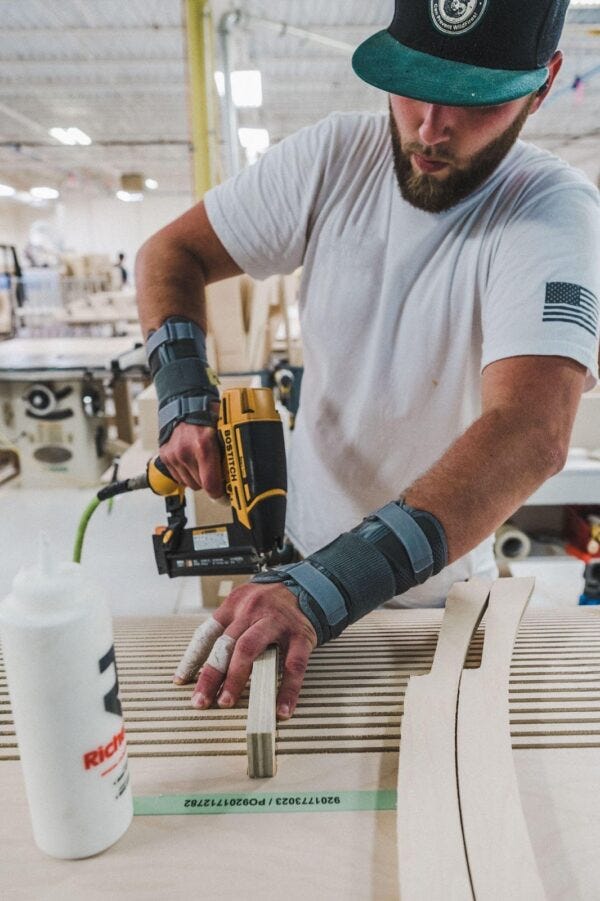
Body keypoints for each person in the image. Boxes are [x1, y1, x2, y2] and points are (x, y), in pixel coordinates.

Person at [136, 0, 600, 721]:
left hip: (434, 598)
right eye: (412, 83)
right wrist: (185, 401)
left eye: (472, 99)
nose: (430, 127)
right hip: (297, 559)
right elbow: (172, 252)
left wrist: (325, 590)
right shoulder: (333, 158)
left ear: (542, 86)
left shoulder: (550, 210)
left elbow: (530, 433)